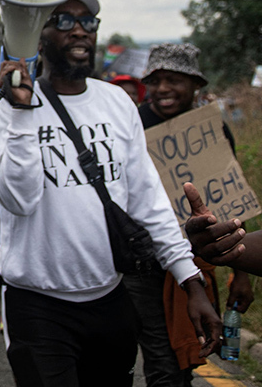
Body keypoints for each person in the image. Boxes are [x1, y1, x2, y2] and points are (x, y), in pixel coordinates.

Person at [0, 0, 221, 386]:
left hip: (109, 301)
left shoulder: (116, 102)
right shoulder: (3, 101)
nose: (79, 30)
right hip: (37, 307)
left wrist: (190, 280)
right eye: (64, 21)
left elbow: (148, 200)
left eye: (88, 22)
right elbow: (18, 200)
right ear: (37, 35)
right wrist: (23, 111)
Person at [125, 43, 252, 386]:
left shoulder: (213, 130)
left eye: (174, 80)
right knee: (164, 364)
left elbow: (231, 205)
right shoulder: (129, 125)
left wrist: (241, 273)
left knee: (188, 357)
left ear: (196, 86)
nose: (163, 89)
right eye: (155, 80)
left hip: (196, 268)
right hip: (140, 268)